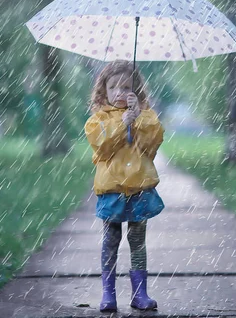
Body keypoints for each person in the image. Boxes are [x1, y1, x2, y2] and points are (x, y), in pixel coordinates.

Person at [84, 60, 165, 312]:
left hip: (139, 188)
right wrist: (122, 124)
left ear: (136, 90)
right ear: (103, 91)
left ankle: (140, 293)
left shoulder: (146, 115)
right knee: (111, 238)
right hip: (112, 190)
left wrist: (138, 119)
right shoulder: (98, 120)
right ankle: (108, 293)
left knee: (138, 240)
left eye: (126, 87)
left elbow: (152, 145)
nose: (119, 93)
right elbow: (103, 147)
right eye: (113, 88)